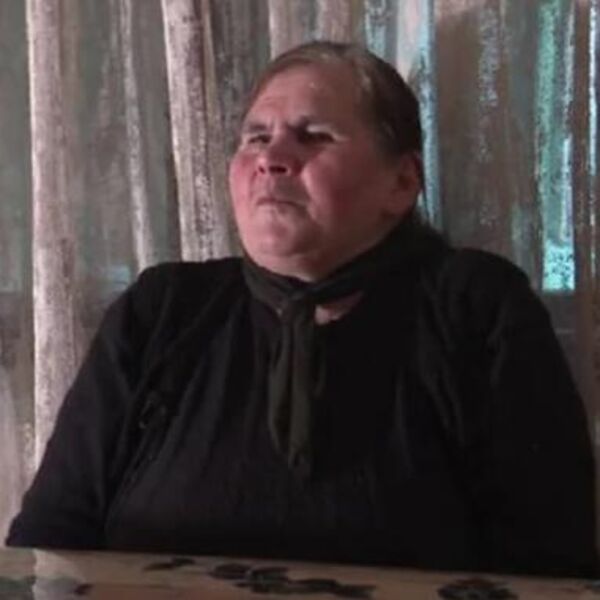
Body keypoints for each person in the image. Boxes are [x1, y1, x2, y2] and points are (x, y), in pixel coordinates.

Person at [6, 41, 597, 577]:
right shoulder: (163, 310)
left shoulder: (472, 308)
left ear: (401, 182)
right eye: (256, 138)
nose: (272, 158)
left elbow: (551, 562)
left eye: (314, 136)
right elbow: (51, 543)